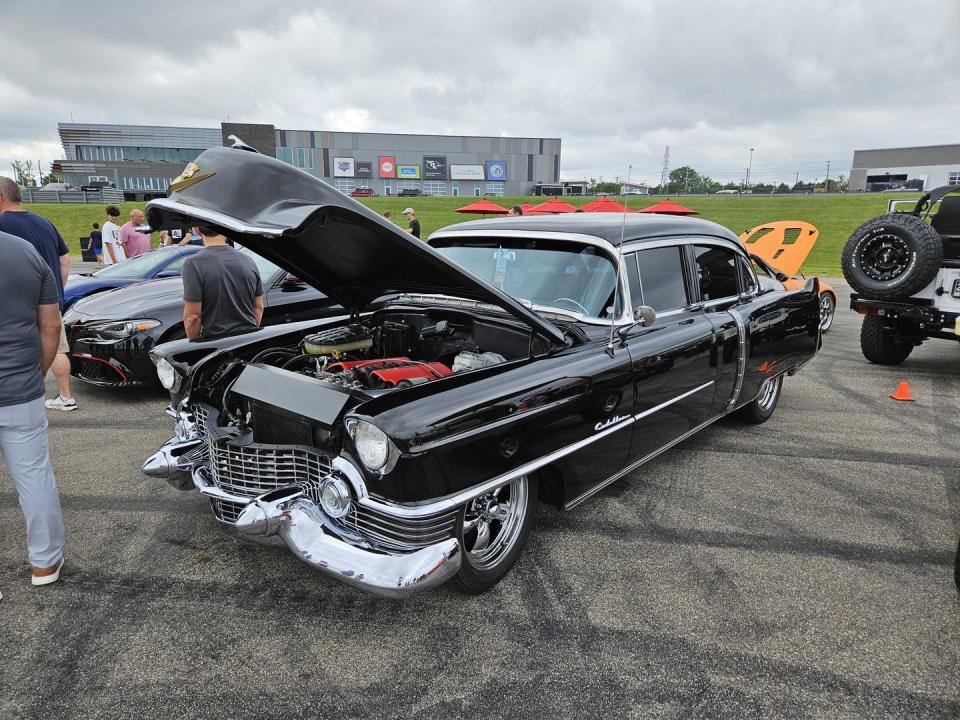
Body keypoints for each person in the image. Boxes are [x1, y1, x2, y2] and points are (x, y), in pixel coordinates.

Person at [0, 229, 67, 587]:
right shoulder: (25, 252)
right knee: (35, 478)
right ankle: (45, 563)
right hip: (20, 389)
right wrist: (37, 374)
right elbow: (51, 325)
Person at [0, 178, 78, 411]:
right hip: (50, 300)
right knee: (57, 345)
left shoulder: (3, 225)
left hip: (15, 302)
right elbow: (64, 260)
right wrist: (53, 292)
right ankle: (66, 395)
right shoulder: (45, 222)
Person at [181, 225, 264, 340]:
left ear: (197, 230)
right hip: (248, 340)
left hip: (216, 343)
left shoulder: (193, 264)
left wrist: (196, 345)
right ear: (226, 230)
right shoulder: (248, 260)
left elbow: (193, 317)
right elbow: (258, 307)